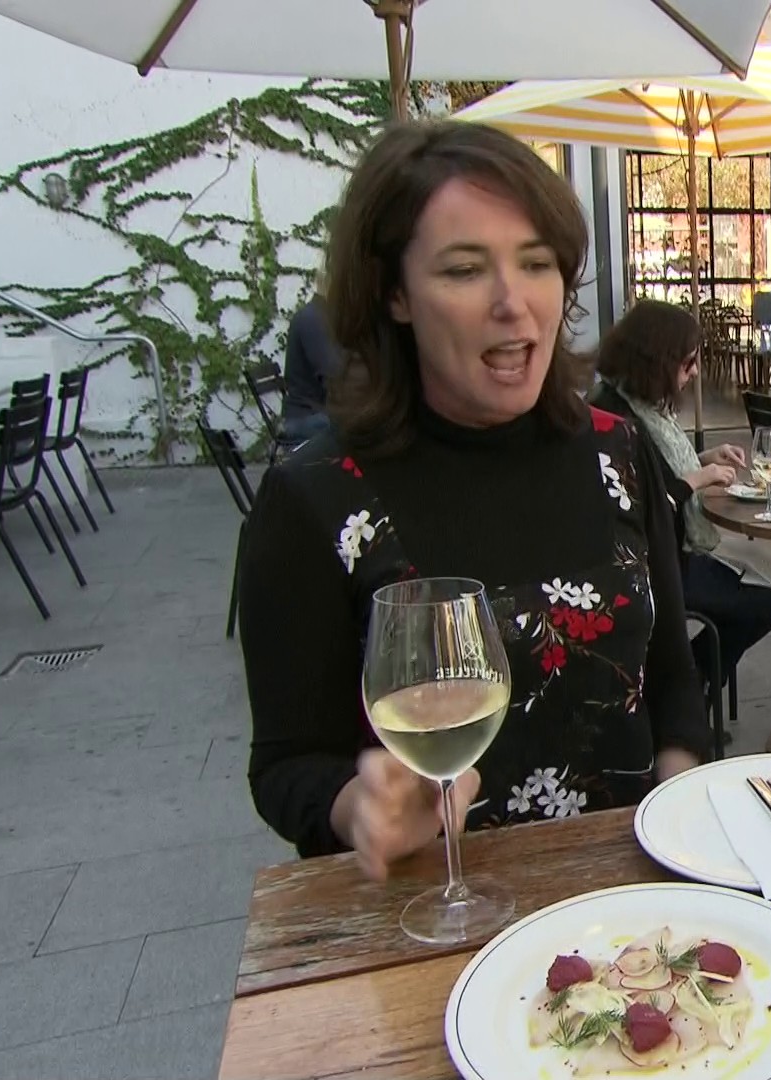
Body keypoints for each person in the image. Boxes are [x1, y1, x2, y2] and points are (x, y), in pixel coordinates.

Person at [238, 121, 706, 877]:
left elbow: (673, 675)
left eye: (537, 262)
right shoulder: (312, 498)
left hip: (630, 909)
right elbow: (287, 765)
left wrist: (685, 825)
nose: (513, 302)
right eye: (463, 270)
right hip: (435, 910)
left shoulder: (618, 450)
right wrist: (359, 807)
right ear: (395, 292)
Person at [587, 299, 771, 701]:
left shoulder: (631, 402)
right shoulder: (616, 419)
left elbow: (651, 470)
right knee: (767, 601)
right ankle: (691, 683)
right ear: (658, 362)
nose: (695, 371)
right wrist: (697, 479)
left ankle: (694, 680)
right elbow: (644, 504)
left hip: (669, 554)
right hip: (654, 570)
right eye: (688, 362)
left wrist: (703, 459)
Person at [280, 296, 342, 443]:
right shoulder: (312, 318)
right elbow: (335, 373)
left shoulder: (324, 316)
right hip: (307, 417)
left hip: (317, 412)